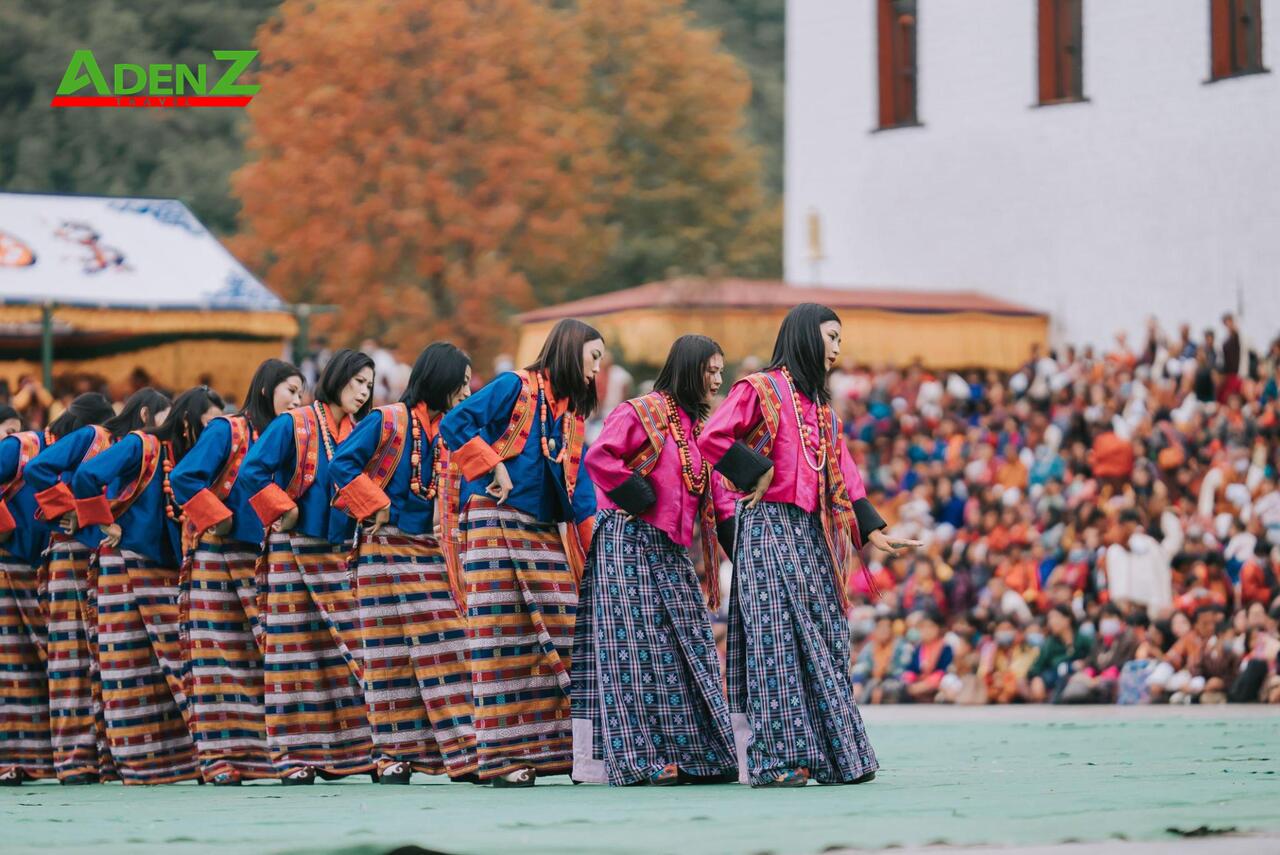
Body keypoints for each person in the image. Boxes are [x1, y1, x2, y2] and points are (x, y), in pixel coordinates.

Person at [698, 303, 920, 787]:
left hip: (811, 533)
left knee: (827, 638)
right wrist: (756, 471)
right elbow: (712, 436)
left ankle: (835, 757)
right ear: (804, 337)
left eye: (841, 339)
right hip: (768, 527)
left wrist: (873, 530)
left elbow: (844, 475)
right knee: (777, 644)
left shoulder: (820, 409)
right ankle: (779, 763)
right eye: (831, 337)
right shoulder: (758, 388)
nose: (838, 348)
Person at [572, 334, 738, 787]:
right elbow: (600, 457)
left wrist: (743, 554)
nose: (719, 380)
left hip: (669, 550)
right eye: (712, 371)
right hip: (626, 539)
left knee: (694, 645)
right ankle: (641, 759)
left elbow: (721, 501)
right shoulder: (640, 412)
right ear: (689, 369)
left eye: (722, 371)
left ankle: (701, 754)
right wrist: (637, 494)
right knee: (636, 651)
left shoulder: (702, 430)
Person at [440, 318, 600, 787]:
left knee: (570, 635)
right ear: (572, 353)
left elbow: (582, 495)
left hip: (544, 533)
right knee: (499, 641)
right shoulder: (515, 385)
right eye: (593, 357)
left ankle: (563, 753)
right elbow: (457, 423)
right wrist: (493, 467)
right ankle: (505, 759)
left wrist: (597, 557)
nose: (597, 368)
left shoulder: (570, 417)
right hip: (493, 525)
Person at [329, 342, 480, 785]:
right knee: (387, 655)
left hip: (426, 552)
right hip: (381, 550)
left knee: (446, 647)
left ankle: (463, 750)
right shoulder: (389, 419)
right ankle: (392, 757)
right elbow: (341, 465)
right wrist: (372, 503)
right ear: (444, 380)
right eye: (464, 382)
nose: (468, 392)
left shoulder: (448, 431)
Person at [238, 349, 377, 784]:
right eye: (358, 382)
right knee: (293, 656)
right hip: (294, 550)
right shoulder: (292, 424)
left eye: (369, 385)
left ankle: (346, 755)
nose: (364, 392)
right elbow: (252, 472)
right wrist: (284, 509)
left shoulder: (357, 429)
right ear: (337, 379)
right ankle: (293, 758)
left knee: (341, 653)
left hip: (337, 553)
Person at [72, 387, 224, 784]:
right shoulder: (144, 445)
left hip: (163, 571)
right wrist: (103, 523)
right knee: (127, 666)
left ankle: (176, 762)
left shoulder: (185, 459)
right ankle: (137, 764)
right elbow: (87, 476)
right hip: (126, 565)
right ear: (189, 420)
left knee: (171, 666)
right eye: (209, 423)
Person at [169, 359, 304, 785]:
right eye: (291, 391)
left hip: (261, 559)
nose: (298, 401)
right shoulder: (228, 430)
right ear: (267, 391)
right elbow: (185, 477)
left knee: (257, 660)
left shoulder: (288, 435)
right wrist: (218, 517)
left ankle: (261, 756)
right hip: (216, 554)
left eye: (302, 394)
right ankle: (219, 760)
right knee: (217, 661)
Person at [25, 387, 169, 784]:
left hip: (92, 557)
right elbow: (39, 468)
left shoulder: (126, 450)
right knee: (71, 658)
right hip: (70, 556)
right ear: (145, 415)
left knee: (96, 661)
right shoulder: (95, 436)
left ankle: (98, 757)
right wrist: (70, 511)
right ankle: (73, 761)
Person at [0, 394, 113, 786]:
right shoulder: (24, 447)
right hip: (7, 564)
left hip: (40, 566)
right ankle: (9, 759)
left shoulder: (78, 455)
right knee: (11, 668)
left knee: (44, 666)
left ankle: (41, 759)